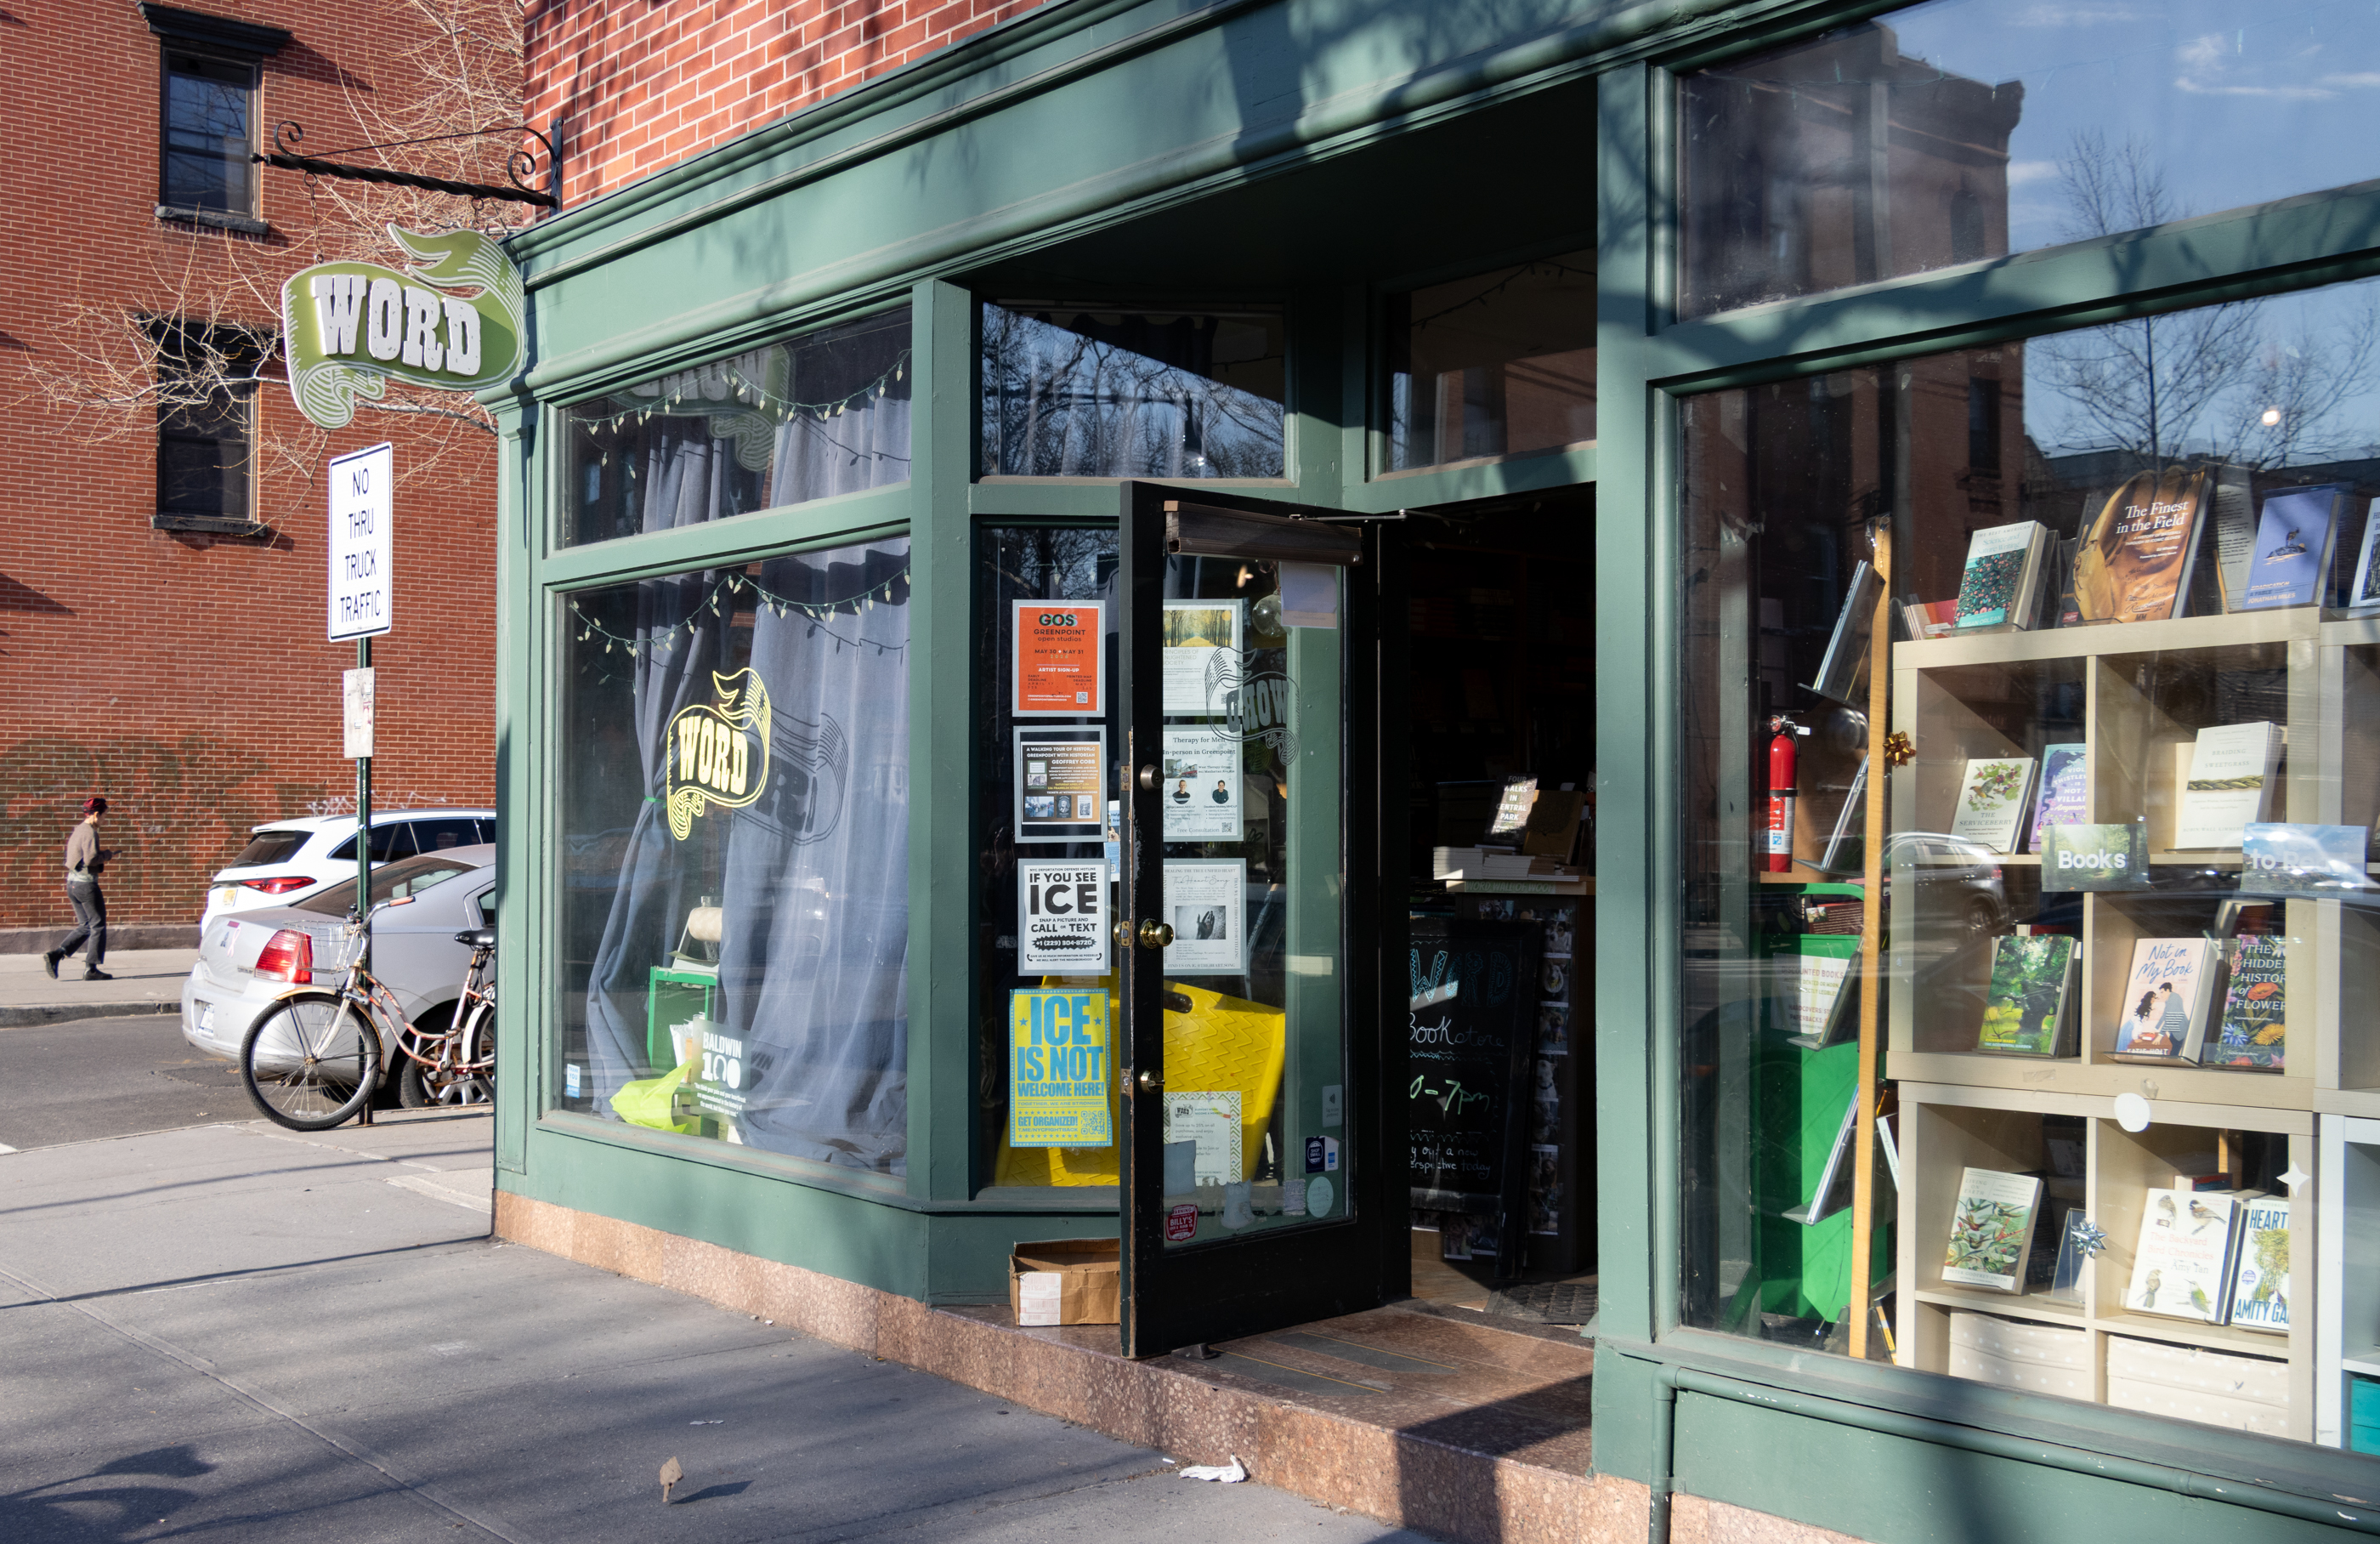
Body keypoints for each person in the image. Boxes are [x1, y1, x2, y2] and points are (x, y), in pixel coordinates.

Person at [44, 796, 113, 981]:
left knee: (85, 926)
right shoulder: (90, 832)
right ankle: (91, 969)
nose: (105, 820)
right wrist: (107, 855)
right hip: (86, 885)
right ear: (96, 814)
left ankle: (57, 954)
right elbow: (91, 859)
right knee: (97, 925)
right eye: (105, 816)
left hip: (72, 884)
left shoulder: (78, 830)